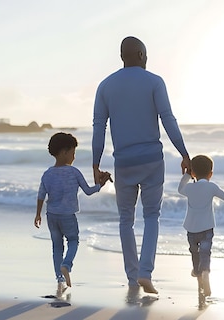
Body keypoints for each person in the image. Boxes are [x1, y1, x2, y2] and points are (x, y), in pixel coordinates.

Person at [92, 36, 191, 294]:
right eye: (145, 55)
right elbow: (168, 120)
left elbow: (99, 128)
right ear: (138, 55)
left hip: (123, 161)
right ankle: (146, 272)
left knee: (126, 219)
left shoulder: (106, 86)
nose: (147, 60)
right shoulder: (154, 82)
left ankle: (133, 276)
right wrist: (185, 154)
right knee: (151, 216)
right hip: (151, 161)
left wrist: (95, 164)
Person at [35, 132, 111, 294]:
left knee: (56, 246)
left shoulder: (47, 174)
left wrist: (38, 214)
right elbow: (89, 191)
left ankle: (59, 278)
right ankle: (66, 265)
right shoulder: (74, 172)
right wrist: (101, 184)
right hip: (68, 215)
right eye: (73, 153)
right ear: (64, 152)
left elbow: (41, 195)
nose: (74, 157)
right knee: (73, 241)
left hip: (51, 215)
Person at [178, 155, 224, 297]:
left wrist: (187, 175)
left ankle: (198, 275)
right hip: (207, 228)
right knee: (205, 253)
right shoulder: (211, 187)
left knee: (195, 253)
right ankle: (205, 272)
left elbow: (180, 189)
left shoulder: (189, 188)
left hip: (191, 228)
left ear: (193, 172)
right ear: (210, 174)